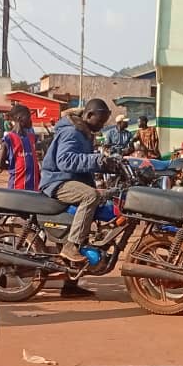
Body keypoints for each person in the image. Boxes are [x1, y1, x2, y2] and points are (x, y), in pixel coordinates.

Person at [39, 98, 121, 267]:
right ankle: (72, 245)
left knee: (102, 195)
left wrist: (109, 166)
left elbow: (83, 163)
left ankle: (70, 286)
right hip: (57, 181)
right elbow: (65, 161)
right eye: (100, 121)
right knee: (90, 195)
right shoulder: (72, 132)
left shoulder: (83, 133)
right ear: (89, 115)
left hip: (71, 180)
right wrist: (97, 160)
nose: (102, 126)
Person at [0, 105, 39, 191]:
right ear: (19, 118)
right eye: (28, 117)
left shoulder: (31, 138)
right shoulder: (9, 139)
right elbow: (1, 165)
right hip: (17, 187)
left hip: (34, 187)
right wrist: (16, 169)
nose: (30, 120)